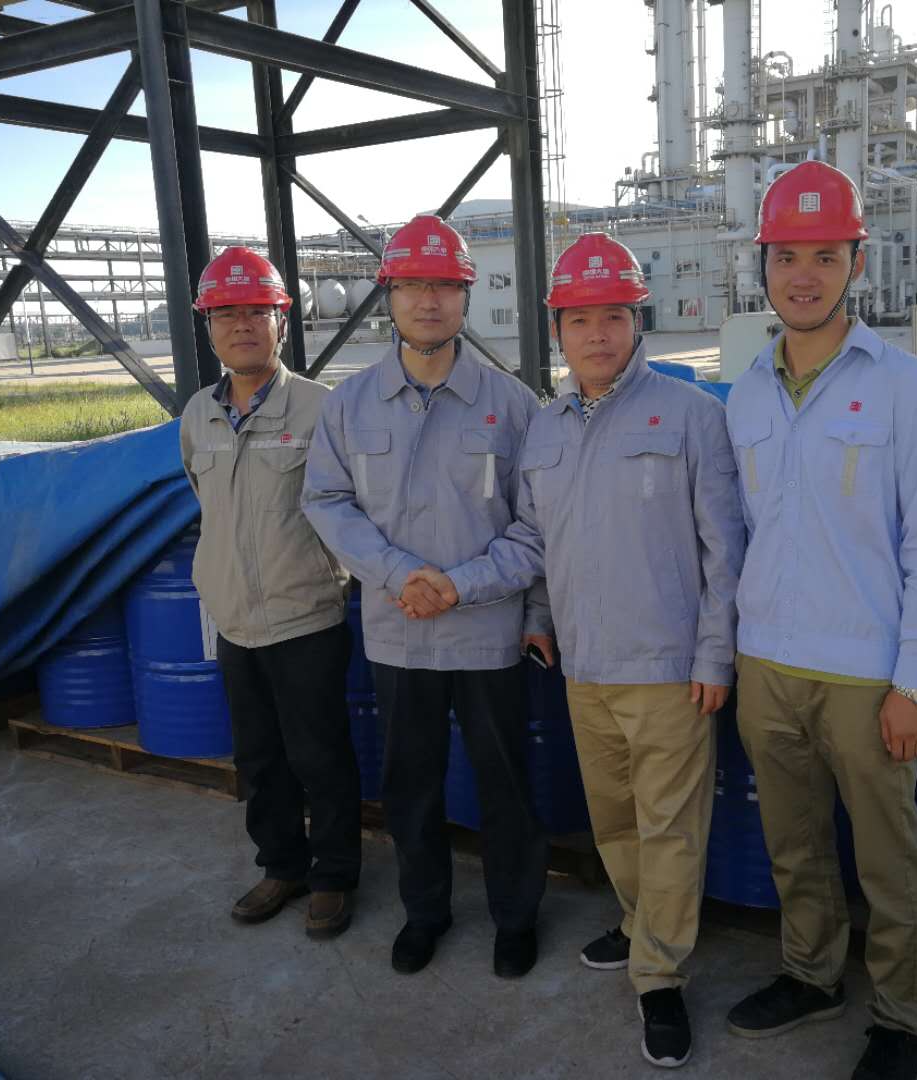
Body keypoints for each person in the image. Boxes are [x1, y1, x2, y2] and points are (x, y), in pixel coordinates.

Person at [409, 232, 745, 1069]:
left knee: (669, 829)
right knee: (616, 820)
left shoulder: (691, 416)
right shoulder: (546, 428)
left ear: (638, 323)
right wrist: (512, 605)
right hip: (585, 667)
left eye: (614, 317)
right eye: (580, 319)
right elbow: (535, 540)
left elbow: (725, 551)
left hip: (668, 671)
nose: (598, 334)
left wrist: (714, 657)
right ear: (556, 328)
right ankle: (637, 923)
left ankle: (659, 976)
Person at [721, 160, 917, 1080]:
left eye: (825, 257)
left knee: (887, 858)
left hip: (869, 673)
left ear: (856, 264)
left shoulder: (907, 388)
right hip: (767, 664)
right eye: (787, 257)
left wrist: (915, 681)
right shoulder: (745, 393)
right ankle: (811, 974)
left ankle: (903, 1019)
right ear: (763, 266)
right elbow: (742, 533)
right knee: (792, 845)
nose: (804, 276)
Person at [300, 214, 550, 980]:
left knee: (505, 784)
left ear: (465, 296)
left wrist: (460, 587)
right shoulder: (350, 405)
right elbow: (326, 500)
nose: (428, 301)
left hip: (486, 633)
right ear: (389, 296)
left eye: (444, 285)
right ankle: (425, 913)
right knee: (410, 786)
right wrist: (397, 574)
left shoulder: (512, 405)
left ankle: (515, 917)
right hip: (398, 630)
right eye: (412, 285)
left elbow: (537, 525)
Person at [178, 246, 359, 937]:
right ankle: (282, 865)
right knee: (258, 758)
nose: (242, 326)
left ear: (282, 321)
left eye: (257, 312)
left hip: (304, 616)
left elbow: (351, 510)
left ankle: (334, 877)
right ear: (209, 328)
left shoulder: (322, 409)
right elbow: (207, 504)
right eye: (226, 315)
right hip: (234, 620)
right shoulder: (197, 415)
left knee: (320, 756)